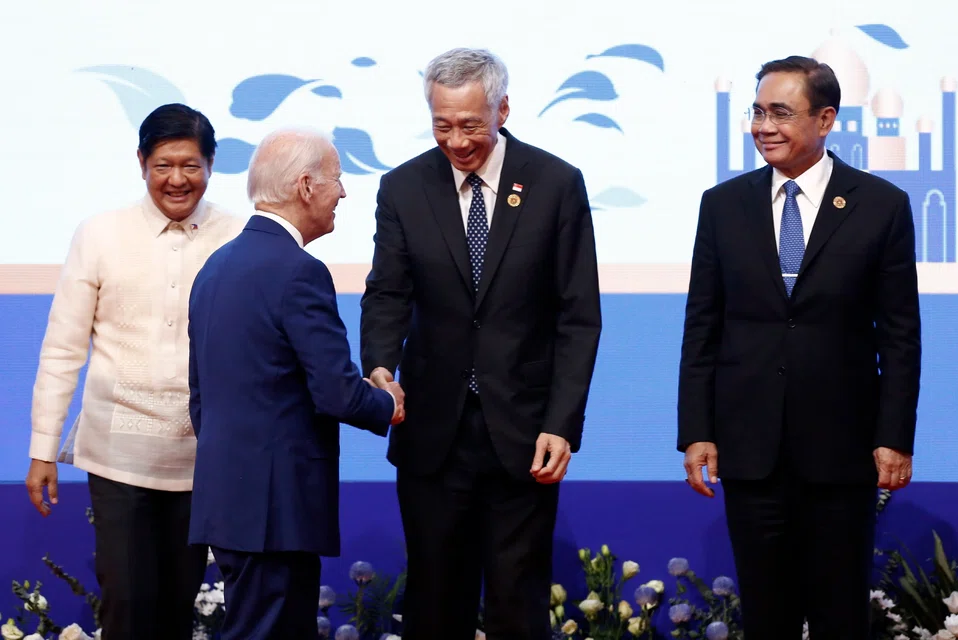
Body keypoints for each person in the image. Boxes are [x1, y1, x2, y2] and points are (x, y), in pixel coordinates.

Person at [359, 47, 602, 639]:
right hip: (431, 431)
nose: (457, 141)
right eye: (443, 125)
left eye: (471, 125)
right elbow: (387, 292)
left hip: (523, 432)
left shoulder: (554, 184)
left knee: (517, 601)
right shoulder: (404, 187)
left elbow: (578, 316)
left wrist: (561, 422)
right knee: (435, 599)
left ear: (503, 109)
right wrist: (381, 367)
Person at [677, 56, 921, 639]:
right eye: (758, 112)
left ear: (826, 119)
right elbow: (701, 327)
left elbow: (901, 335)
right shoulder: (723, 205)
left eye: (781, 113)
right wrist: (697, 430)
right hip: (750, 446)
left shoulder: (879, 205)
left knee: (839, 613)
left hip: (842, 449)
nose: (764, 126)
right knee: (767, 613)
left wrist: (893, 438)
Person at [25, 103, 245, 640]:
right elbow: (62, 349)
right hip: (117, 452)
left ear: (212, 166)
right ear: (141, 162)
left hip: (199, 457)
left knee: (177, 603)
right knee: (125, 600)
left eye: (191, 165)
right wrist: (42, 448)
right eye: (163, 164)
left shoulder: (237, 237)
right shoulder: (99, 234)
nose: (177, 179)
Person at [187, 128, 404, 639]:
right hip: (276, 510)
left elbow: (201, 398)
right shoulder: (298, 271)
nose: (344, 192)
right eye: (337, 178)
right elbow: (335, 391)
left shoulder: (213, 269)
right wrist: (386, 403)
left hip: (231, 503)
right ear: (306, 186)